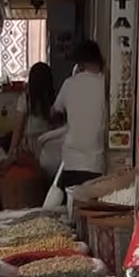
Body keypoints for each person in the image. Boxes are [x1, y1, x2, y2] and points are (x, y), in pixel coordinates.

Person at [51, 39, 108, 193]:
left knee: (71, 208)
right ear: (100, 60)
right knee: (90, 210)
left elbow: (54, 112)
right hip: (94, 164)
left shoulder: (69, 84)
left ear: (80, 63)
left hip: (71, 162)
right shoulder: (105, 85)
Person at [9, 61, 56, 158]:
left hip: (30, 147)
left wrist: (11, 152)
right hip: (49, 146)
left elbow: (19, 128)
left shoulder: (26, 98)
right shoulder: (54, 99)